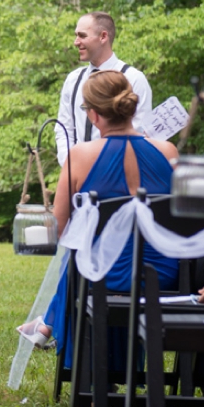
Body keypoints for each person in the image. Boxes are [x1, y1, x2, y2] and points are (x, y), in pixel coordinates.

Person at [18, 71, 178, 369]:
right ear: (131, 107)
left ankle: (83, 363)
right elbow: (183, 219)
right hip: (163, 275)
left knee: (79, 262)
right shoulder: (168, 151)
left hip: (102, 276)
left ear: (93, 115)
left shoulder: (79, 156)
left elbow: (59, 229)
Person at [56, 12, 153, 166]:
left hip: (119, 174)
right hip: (76, 176)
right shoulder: (73, 80)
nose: (76, 42)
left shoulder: (134, 79)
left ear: (103, 37)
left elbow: (141, 131)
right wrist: (70, 166)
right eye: (76, 36)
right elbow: (63, 128)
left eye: (82, 36)